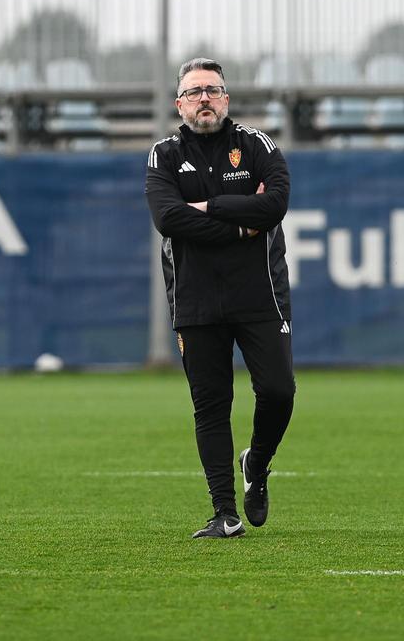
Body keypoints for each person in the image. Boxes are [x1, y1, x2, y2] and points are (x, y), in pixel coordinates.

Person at [145, 57, 296, 539]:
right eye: (194, 92)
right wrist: (241, 223)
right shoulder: (163, 155)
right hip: (196, 298)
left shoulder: (256, 145)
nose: (203, 99)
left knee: (278, 391)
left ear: (226, 98)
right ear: (179, 104)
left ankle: (258, 461)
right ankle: (224, 513)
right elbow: (169, 219)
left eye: (212, 90)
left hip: (260, 294)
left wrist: (209, 208)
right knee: (210, 404)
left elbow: (274, 205)